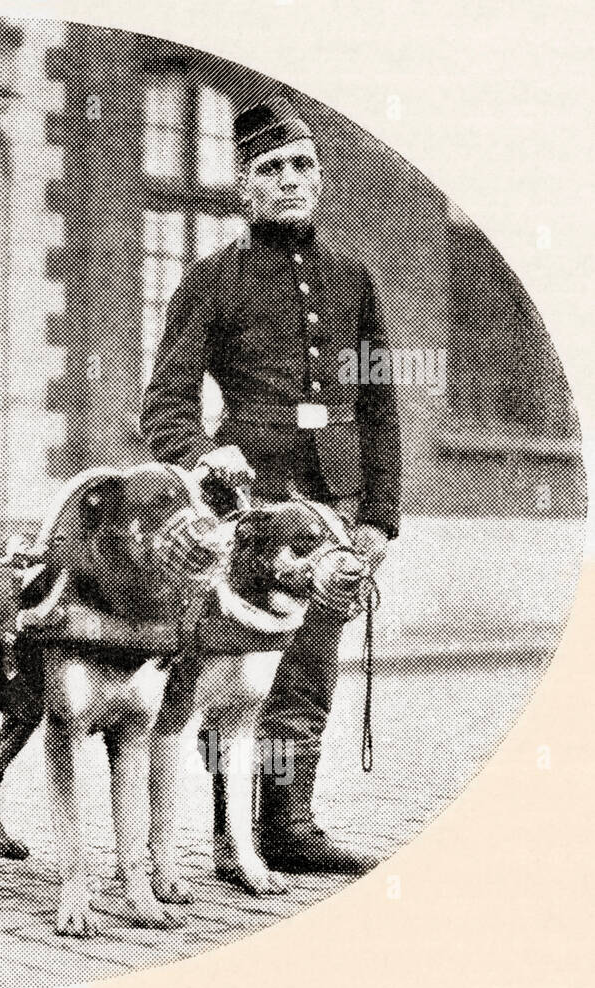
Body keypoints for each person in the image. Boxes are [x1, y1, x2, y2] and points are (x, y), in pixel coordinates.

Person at [140, 96, 401, 874]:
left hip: (338, 503)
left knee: (313, 657)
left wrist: (381, 514)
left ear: (319, 180)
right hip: (252, 513)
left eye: (303, 166)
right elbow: (164, 404)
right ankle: (231, 835)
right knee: (237, 668)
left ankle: (288, 822)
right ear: (243, 188)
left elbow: (380, 405)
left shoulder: (352, 280)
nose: (290, 180)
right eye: (271, 169)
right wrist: (204, 459)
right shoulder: (213, 281)